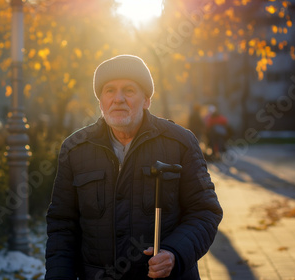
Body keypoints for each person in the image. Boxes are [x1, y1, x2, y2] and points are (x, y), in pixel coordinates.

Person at [45, 55, 223, 280]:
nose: (118, 99)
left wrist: (174, 253)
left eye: (129, 90)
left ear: (147, 100)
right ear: (100, 101)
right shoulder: (74, 149)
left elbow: (205, 211)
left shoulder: (180, 143)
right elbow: (62, 224)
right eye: (109, 90)